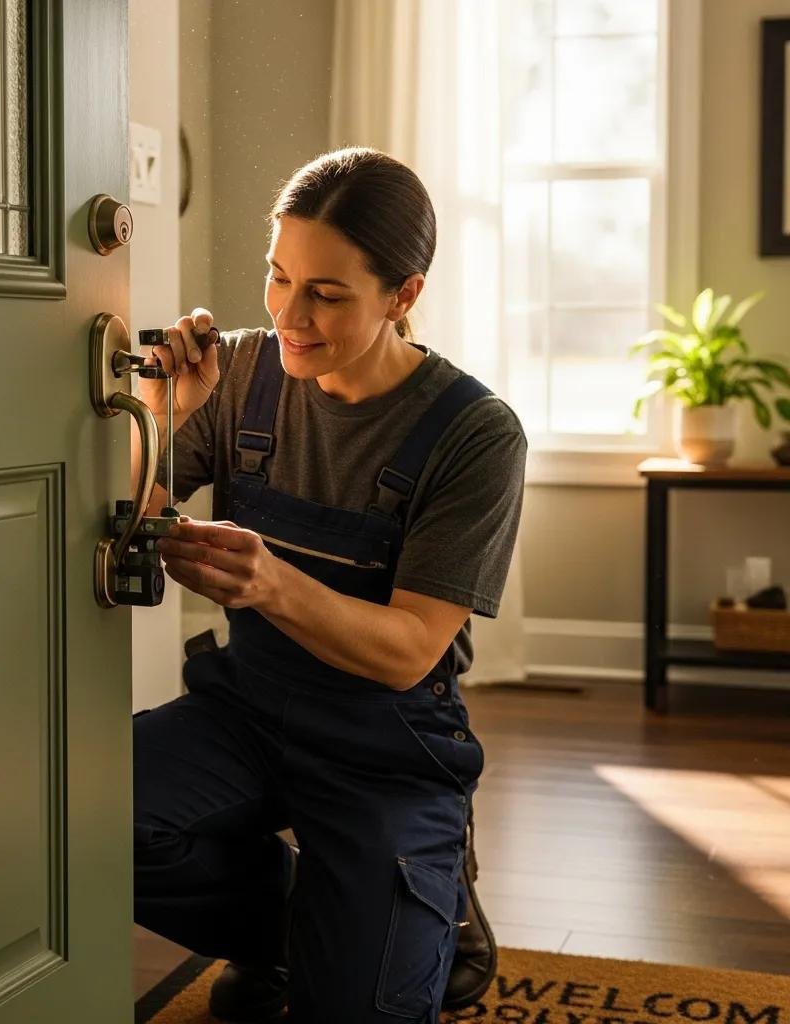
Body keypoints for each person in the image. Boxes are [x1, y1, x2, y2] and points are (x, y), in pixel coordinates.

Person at [133, 147, 526, 1024]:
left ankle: (420, 896)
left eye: (327, 293)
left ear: (404, 295)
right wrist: (168, 416)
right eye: (278, 277)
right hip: (246, 711)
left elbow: (408, 651)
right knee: (89, 814)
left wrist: (272, 584)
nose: (289, 314)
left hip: (388, 747)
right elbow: (131, 514)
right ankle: (297, 930)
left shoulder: (477, 434)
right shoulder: (237, 373)